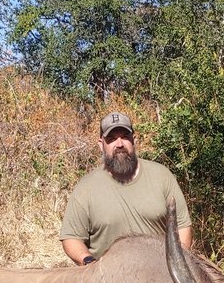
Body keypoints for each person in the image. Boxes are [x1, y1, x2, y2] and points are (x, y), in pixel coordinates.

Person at [60, 111, 192, 265]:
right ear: (101, 144)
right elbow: (71, 238)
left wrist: (177, 264)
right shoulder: (86, 188)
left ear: (134, 140)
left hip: (159, 274)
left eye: (125, 136)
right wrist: (90, 263)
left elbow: (182, 226)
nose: (120, 144)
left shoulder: (162, 176)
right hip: (107, 279)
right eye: (111, 139)